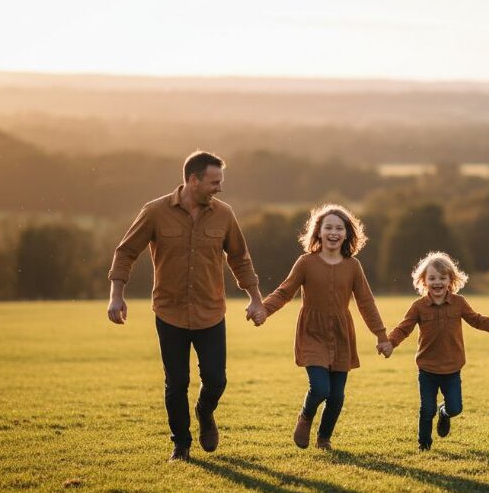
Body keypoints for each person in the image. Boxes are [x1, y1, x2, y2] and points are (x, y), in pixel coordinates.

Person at [107, 150, 264, 463]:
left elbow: (239, 258)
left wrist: (255, 298)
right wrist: (116, 294)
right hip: (170, 312)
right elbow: (126, 252)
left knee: (216, 380)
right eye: (214, 182)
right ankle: (181, 445)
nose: (219, 188)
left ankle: (205, 414)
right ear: (193, 180)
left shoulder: (224, 214)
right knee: (176, 382)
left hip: (210, 312)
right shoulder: (154, 212)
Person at [251, 204, 392, 451]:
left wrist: (381, 335)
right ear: (318, 232)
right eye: (328, 227)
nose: (333, 232)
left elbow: (366, 302)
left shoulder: (353, 266)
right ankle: (306, 416)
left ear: (347, 234)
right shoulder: (306, 262)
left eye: (339, 228)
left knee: (336, 397)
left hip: (341, 334)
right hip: (312, 332)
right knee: (320, 388)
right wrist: (264, 309)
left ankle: (324, 438)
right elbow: (285, 292)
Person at [388, 252, 489, 451]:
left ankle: (444, 413)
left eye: (442, 278)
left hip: (452, 368)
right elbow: (404, 328)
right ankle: (424, 444)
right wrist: (390, 342)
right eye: (432, 278)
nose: (437, 282)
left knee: (455, 408)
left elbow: (476, 320)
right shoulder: (418, 306)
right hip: (427, 369)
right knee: (426, 409)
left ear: (451, 280)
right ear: (424, 281)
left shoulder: (459, 303)